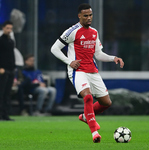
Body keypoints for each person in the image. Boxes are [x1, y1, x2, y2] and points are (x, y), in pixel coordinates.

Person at [51, 3, 124, 143]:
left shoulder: (94, 32)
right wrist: (69, 61)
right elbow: (54, 48)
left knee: (106, 103)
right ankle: (94, 133)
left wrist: (113, 58)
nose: (89, 18)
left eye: (90, 15)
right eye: (86, 16)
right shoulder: (72, 31)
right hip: (77, 71)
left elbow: (98, 54)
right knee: (88, 97)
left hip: (92, 71)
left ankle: (86, 116)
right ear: (79, 16)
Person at [0, 21, 15, 121]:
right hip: (3, 70)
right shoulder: (1, 40)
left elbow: (11, 56)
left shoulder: (11, 41)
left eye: (10, 28)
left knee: (7, 94)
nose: (9, 30)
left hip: (10, 70)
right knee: (1, 93)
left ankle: (5, 114)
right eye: (7, 28)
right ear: (3, 28)